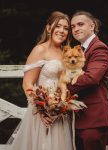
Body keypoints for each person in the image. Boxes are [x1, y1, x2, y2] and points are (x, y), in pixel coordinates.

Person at [10, 11, 73, 150]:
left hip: (60, 114)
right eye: (58, 26)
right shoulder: (40, 50)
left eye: (66, 28)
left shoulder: (66, 53)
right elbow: (27, 82)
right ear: (49, 28)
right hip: (41, 113)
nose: (62, 31)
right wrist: (41, 111)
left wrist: (63, 104)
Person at [68, 11, 108, 150]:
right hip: (80, 118)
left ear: (92, 26)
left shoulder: (99, 48)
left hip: (94, 118)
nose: (76, 29)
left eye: (80, 24)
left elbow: (91, 78)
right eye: (73, 26)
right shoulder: (78, 50)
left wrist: (62, 87)